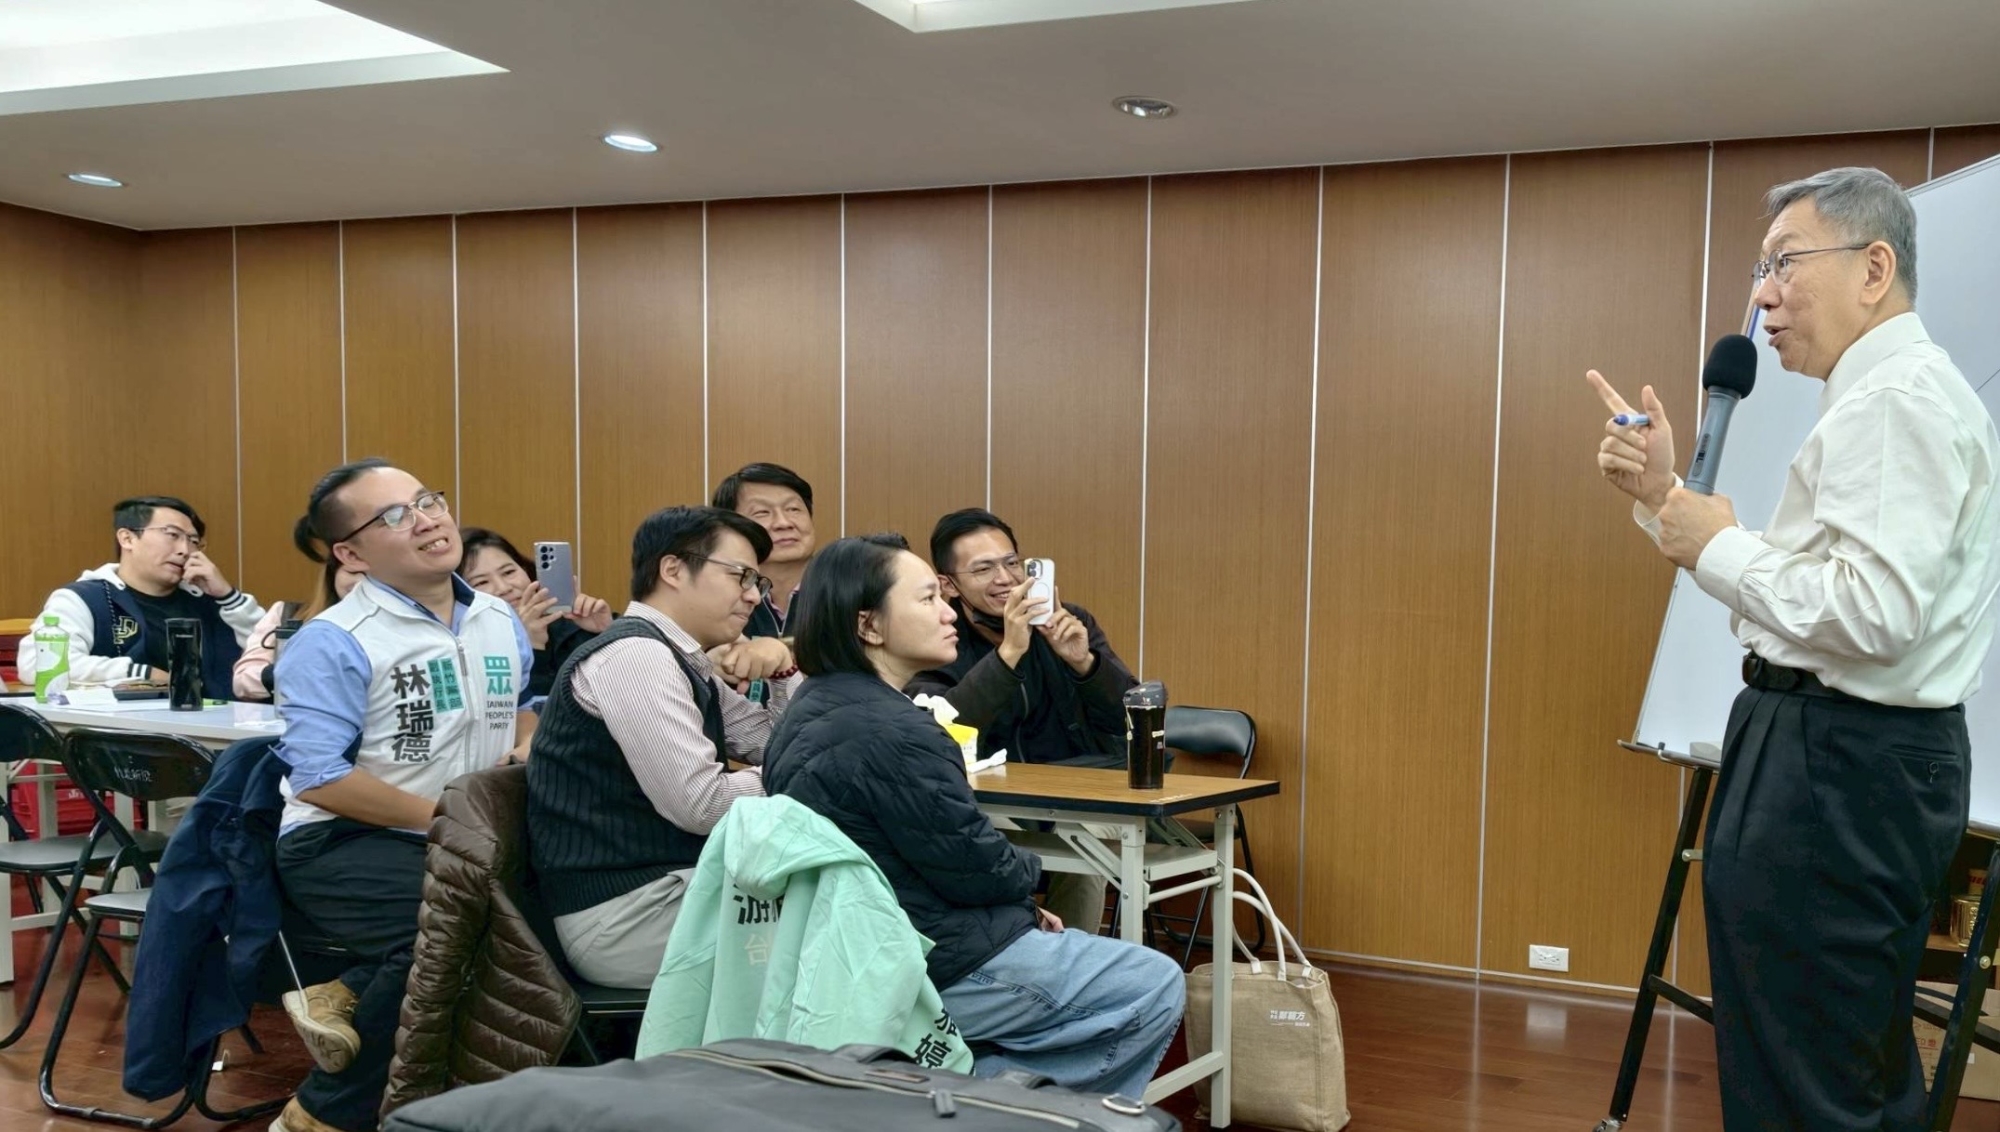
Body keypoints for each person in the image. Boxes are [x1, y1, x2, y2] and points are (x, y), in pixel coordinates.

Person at [1590, 167, 2000, 1131]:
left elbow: (1871, 613)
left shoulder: (1895, 400)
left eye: (1785, 263)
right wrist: (1666, 500)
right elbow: (1827, 595)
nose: (1763, 297)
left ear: (1874, 269)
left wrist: (1722, 543)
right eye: (1760, 269)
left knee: (1808, 1086)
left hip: (1838, 764)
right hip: (1832, 756)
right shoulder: (1883, 395)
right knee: (1822, 1064)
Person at [763, 534, 1184, 1100]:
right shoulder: (894, 728)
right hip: (928, 956)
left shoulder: (812, 706)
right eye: (929, 599)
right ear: (869, 626)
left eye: (1012, 562)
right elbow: (973, 865)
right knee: (1152, 982)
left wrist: (1083, 662)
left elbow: (950, 857)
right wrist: (1028, 885)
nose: (947, 613)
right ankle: (987, 1103)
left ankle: (969, 1086)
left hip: (866, 941)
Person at [266, 459, 536, 1132]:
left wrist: (527, 740)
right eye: (393, 516)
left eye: (427, 501)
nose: (425, 520)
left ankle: (349, 995)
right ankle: (319, 1115)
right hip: (342, 840)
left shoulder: (497, 617)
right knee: (455, 932)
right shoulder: (334, 640)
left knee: (522, 925)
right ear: (350, 555)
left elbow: (522, 705)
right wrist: (448, 820)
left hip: (457, 837)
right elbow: (320, 777)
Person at [527, 506, 798, 989]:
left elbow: (774, 742)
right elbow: (703, 804)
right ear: (672, 569)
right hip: (626, 915)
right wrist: (813, 776)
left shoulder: (675, 656)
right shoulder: (636, 656)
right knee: (847, 919)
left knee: (851, 897)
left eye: (757, 582)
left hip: (670, 888)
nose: (753, 595)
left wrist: (783, 671)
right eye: (740, 576)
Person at [909, 508, 1138, 933]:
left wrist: (1084, 663)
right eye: (983, 569)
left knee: (1087, 842)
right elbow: (940, 727)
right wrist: (1008, 654)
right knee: (980, 835)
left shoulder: (1070, 621)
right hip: (990, 803)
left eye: (1012, 562)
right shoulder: (938, 639)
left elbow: (1130, 716)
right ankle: (1013, 953)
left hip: (1075, 796)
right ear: (949, 585)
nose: (1006, 579)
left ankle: (1072, 958)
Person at [17, 495, 264, 698]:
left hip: (215, 727)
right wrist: (139, 673)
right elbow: (36, 664)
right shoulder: (84, 598)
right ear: (127, 538)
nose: (185, 550)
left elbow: (273, 656)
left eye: (193, 541)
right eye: (172, 535)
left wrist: (227, 596)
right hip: (119, 732)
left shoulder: (209, 601)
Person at [457, 527, 613, 699]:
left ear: (525, 569)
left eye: (509, 572)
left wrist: (607, 631)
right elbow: (533, 711)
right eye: (481, 582)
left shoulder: (573, 624)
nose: (504, 588)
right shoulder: (464, 648)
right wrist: (533, 647)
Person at [232, 558, 366, 701]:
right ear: (332, 574)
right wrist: (295, 670)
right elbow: (243, 681)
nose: (360, 583)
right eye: (353, 572)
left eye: (373, 577)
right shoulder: (287, 614)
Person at [711, 462, 817, 639]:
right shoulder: (716, 599)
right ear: (732, 526)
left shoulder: (848, 589)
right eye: (762, 512)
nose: (783, 523)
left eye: (793, 509)